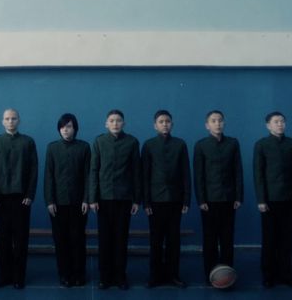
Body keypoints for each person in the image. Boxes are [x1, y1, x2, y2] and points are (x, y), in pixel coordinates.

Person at [89, 109, 141, 290]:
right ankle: (105, 277)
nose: (115, 123)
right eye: (112, 120)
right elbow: (94, 170)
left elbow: (136, 172)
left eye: (119, 120)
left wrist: (136, 200)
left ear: (124, 123)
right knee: (105, 240)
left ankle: (120, 276)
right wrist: (92, 198)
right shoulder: (99, 141)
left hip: (124, 198)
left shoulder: (132, 142)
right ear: (106, 124)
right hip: (103, 199)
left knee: (121, 239)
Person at [0, 108, 38, 289]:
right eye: (7, 119)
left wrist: (30, 195)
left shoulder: (28, 142)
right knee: (3, 240)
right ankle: (3, 276)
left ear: (19, 120)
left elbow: (33, 171)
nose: (10, 121)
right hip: (0, 199)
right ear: (2, 121)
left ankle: (19, 277)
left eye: (13, 118)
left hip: (22, 199)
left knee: (21, 240)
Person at [253, 112, 292, 289]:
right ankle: (268, 275)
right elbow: (258, 174)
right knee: (269, 240)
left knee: (286, 240)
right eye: (276, 122)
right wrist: (261, 199)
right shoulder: (261, 145)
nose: (280, 124)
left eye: (282, 121)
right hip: (269, 200)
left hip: (288, 198)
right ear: (268, 125)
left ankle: (286, 275)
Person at [193, 110, 243, 284]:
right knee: (210, 240)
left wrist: (238, 196)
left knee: (227, 239)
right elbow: (198, 175)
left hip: (229, 199)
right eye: (213, 121)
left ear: (224, 123)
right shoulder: (201, 145)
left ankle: (228, 274)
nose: (218, 123)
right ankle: (210, 274)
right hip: (209, 201)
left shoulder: (233, 143)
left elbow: (238, 171)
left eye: (220, 120)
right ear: (207, 125)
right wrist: (201, 200)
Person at [142, 110, 190, 288]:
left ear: (172, 124)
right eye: (161, 122)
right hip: (155, 201)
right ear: (155, 125)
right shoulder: (148, 145)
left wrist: (186, 200)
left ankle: (173, 275)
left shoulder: (180, 144)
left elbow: (186, 173)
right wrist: (145, 202)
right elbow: (144, 175)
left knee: (173, 241)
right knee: (155, 241)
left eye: (167, 121)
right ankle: (155, 276)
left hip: (175, 200)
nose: (164, 124)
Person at [43, 113, 90, 287]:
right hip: (58, 204)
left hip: (79, 203)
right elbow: (48, 176)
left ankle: (79, 274)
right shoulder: (52, 148)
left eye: (69, 126)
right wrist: (50, 201)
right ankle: (64, 274)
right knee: (61, 240)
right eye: (62, 127)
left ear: (75, 128)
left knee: (78, 239)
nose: (65, 130)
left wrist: (86, 199)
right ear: (59, 129)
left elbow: (88, 176)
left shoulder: (84, 147)